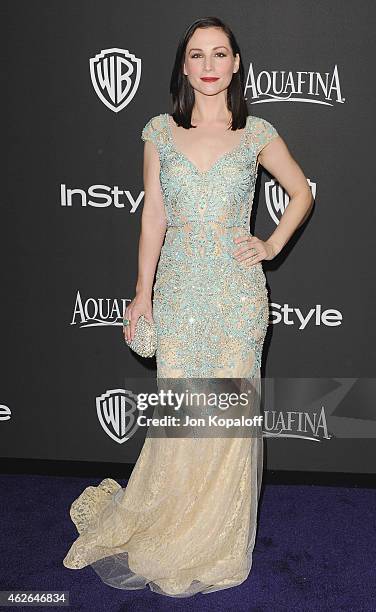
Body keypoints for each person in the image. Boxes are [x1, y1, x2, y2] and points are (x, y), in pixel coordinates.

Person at [63, 16, 313, 598]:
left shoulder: (257, 133)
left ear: (235, 64)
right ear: (184, 66)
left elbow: (301, 192)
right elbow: (154, 215)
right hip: (177, 292)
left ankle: (218, 540)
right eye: (197, 55)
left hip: (236, 296)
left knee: (228, 421)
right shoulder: (158, 131)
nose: (207, 65)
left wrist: (271, 244)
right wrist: (142, 292)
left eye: (219, 54)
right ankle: (172, 523)